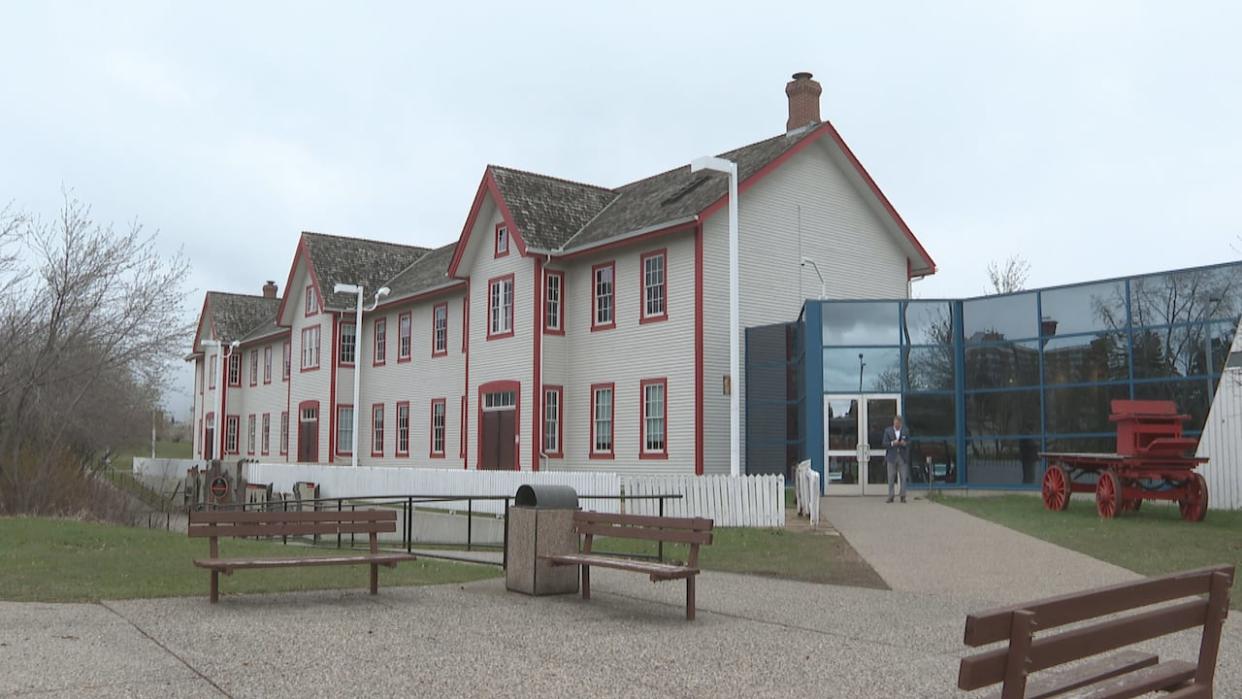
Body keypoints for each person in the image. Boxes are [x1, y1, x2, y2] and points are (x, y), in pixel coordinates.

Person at [882, 415, 910, 503]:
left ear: (901, 423)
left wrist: (904, 443)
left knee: (903, 477)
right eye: (895, 423)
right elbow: (884, 443)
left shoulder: (906, 430)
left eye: (898, 423)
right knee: (891, 477)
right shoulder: (888, 431)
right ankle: (891, 496)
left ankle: (903, 496)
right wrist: (892, 443)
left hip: (902, 457)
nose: (896, 425)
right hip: (891, 457)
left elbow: (909, 442)